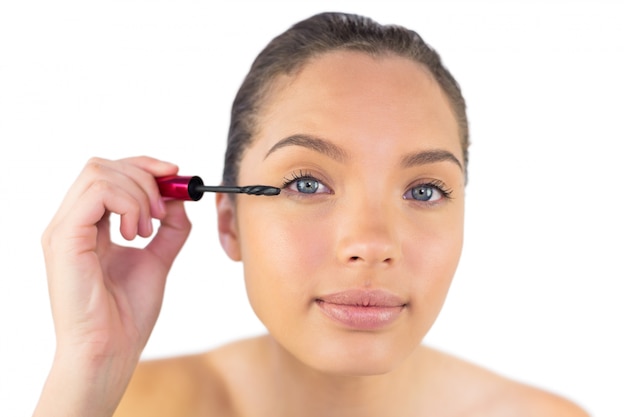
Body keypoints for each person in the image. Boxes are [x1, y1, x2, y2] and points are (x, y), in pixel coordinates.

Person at [32, 11, 588, 417]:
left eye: (423, 191)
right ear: (229, 221)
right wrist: (89, 367)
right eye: (307, 182)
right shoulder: (129, 408)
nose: (371, 244)